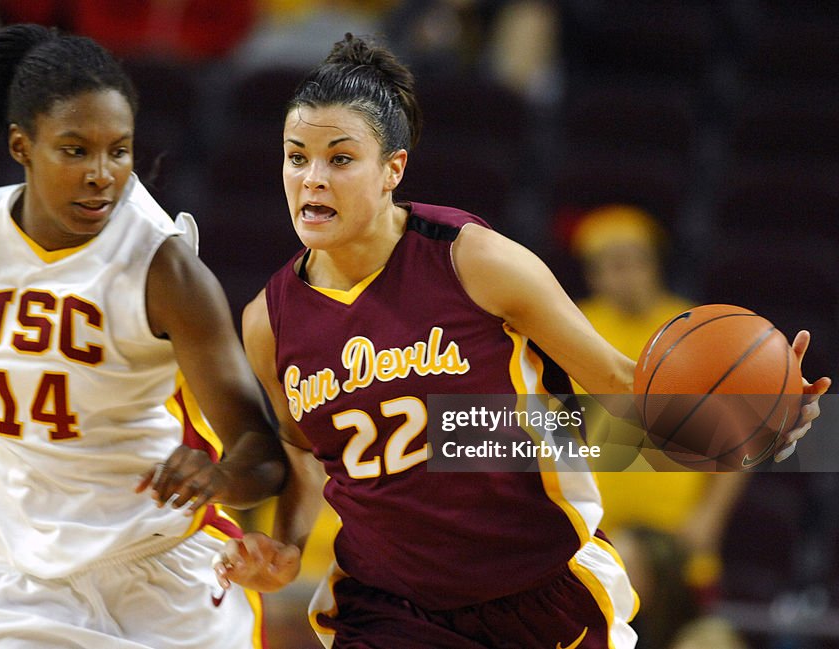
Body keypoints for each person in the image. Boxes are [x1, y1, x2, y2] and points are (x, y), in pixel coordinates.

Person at [215, 34, 830, 648]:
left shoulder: (473, 260)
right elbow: (301, 451)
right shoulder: (268, 322)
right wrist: (289, 545)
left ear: (392, 169)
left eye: (340, 159)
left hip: (537, 589)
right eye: (297, 157)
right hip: (389, 606)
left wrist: (757, 414)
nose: (313, 179)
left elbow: (618, 381)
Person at [0, 23, 286, 648]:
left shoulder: (165, 271)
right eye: (76, 151)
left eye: (118, 151)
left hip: (159, 577)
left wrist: (222, 477)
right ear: (22, 145)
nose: (103, 174)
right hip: (19, 583)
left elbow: (261, 454)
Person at [570, 204, 750, 611]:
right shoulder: (574, 328)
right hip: (598, 543)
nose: (625, 276)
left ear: (654, 264)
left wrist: (708, 520)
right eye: (610, 265)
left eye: (634, 262)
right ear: (592, 274)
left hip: (680, 546)